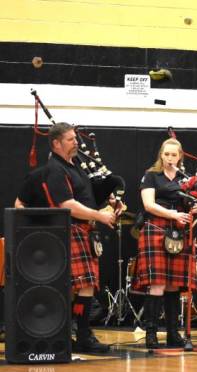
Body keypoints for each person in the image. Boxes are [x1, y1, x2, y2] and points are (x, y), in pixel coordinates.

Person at [41, 122, 118, 353]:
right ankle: (71, 335)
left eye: (75, 138)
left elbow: (85, 196)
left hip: (84, 231)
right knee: (77, 287)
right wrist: (100, 216)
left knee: (86, 287)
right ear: (56, 143)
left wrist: (109, 202)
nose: (76, 142)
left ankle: (81, 335)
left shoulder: (74, 165)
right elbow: (68, 205)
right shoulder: (55, 168)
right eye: (71, 139)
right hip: (70, 229)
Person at [133, 138, 197, 348]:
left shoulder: (185, 179)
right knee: (157, 282)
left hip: (178, 231)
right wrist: (172, 213)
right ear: (161, 155)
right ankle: (151, 333)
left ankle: (172, 333)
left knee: (173, 284)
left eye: (174, 155)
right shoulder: (151, 176)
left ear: (180, 157)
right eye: (166, 154)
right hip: (156, 228)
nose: (170, 158)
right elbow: (148, 204)